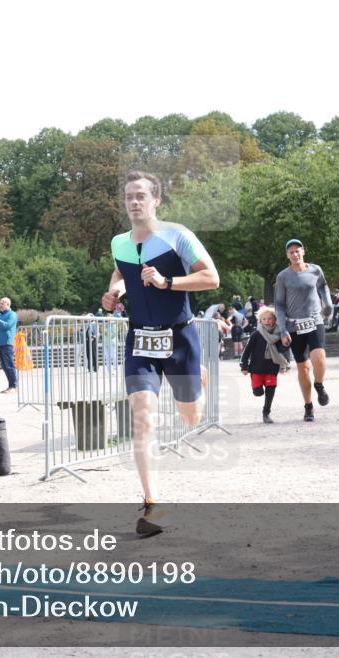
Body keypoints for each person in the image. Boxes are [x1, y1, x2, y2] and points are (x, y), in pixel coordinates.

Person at [102, 170, 219, 534]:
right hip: (140, 339)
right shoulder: (119, 242)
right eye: (128, 197)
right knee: (143, 417)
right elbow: (120, 275)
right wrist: (114, 294)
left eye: (140, 196)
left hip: (180, 338)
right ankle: (152, 507)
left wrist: (167, 282)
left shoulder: (178, 236)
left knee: (191, 418)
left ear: (156, 201)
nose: (134, 202)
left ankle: (197, 381)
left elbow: (211, 278)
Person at [274, 239, 332, 422]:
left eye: (297, 251)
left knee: (319, 357)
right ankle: (308, 406)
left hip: (315, 320)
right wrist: (282, 330)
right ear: (287, 255)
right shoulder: (283, 276)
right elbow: (280, 304)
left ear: (303, 251)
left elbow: (323, 286)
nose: (295, 254)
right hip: (294, 325)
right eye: (291, 252)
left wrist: (328, 303)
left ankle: (319, 385)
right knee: (304, 367)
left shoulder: (316, 270)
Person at [240, 307, 290, 424]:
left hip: (271, 367)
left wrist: (286, 345)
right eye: (264, 319)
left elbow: (282, 351)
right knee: (258, 392)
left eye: (270, 318)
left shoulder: (279, 335)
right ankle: (256, 389)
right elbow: (247, 350)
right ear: (260, 321)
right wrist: (244, 366)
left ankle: (266, 412)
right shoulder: (256, 334)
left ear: (275, 320)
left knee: (270, 390)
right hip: (257, 368)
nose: (267, 321)